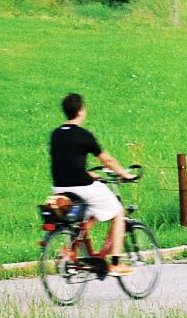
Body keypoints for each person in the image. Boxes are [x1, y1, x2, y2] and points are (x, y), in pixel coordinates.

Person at [50, 92, 137, 275]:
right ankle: (115, 262)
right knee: (118, 211)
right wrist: (124, 174)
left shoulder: (56, 135)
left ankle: (72, 251)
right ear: (81, 110)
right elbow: (107, 160)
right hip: (82, 187)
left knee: (91, 213)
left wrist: (89, 174)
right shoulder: (83, 135)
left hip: (59, 188)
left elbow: (65, 161)